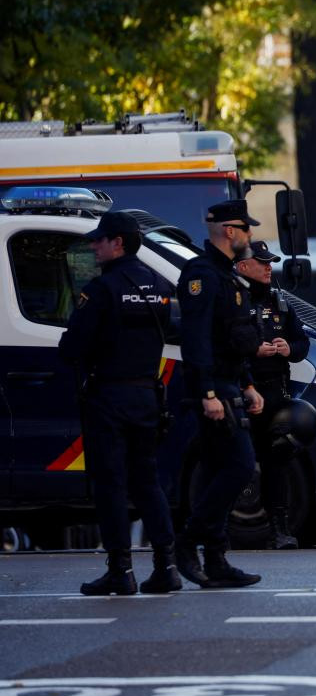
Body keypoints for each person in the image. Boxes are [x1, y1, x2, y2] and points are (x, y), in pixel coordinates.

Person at [58, 211, 182, 595]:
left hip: (108, 397)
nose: (94, 245)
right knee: (147, 482)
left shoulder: (101, 289)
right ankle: (167, 566)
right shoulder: (160, 285)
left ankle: (121, 571)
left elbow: (73, 347)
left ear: (119, 243)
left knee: (110, 484)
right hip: (147, 394)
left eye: (101, 239)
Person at [175, 200, 266, 586]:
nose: (250, 237)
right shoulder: (202, 275)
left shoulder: (226, 275)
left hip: (230, 384)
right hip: (213, 389)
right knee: (241, 466)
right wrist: (208, 393)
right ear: (231, 231)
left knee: (217, 470)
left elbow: (230, 338)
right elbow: (195, 340)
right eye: (246, 229)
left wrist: (247, 384)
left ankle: (216, 560)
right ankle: (189, 541)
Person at [236, 240, 311, 549]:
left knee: (277, 462)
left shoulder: (279, 302)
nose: (269, 267)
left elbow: (302, 343)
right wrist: (254, 350)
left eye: (270, 262)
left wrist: (287, 348)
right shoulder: (234, 300)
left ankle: (278, 528)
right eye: (262, 262)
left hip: (275, 394)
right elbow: (225, 345)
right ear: (243, 266)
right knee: (236, 463)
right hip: (243, 394)